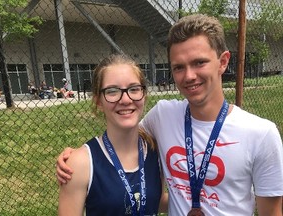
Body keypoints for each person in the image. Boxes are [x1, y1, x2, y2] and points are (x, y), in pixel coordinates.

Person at [56, 14, 283, 215]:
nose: (189, 75)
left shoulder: (261, 134)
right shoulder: (163, 116)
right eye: (179, 67)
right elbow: (122, 133)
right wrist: (76, 157)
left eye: (199, 62)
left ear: (223, 61)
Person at [58, 54, 168, 216]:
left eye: (134, 89)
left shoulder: (155, 150)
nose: (125, 99)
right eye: (112, 91)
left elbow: (154, 201)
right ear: (98, 101)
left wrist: (202, 195)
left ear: (144, 95)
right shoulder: (81, 163)